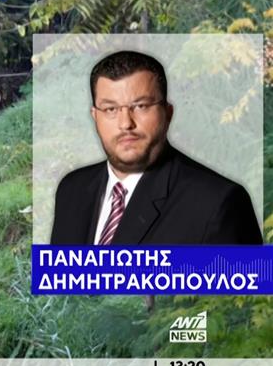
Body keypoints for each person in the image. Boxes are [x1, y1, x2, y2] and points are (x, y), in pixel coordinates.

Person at [50, 50, 262, 245]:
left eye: (141, 106)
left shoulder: (219, 203)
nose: (126, 123)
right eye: (110, 109)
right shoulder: (71, 190)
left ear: (167, 113)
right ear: (95, 117)